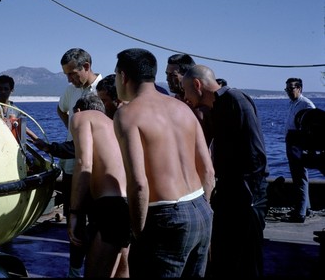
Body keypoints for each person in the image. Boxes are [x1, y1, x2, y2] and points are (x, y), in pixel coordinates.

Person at [112, 48, 215, 278]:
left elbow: (138, 183)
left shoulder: (127, 115)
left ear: (123, 76)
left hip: (165, 217)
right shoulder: (183, 108)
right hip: (201, 212)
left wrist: (138, 232)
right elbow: (208, 171)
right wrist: (201, 208)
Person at [182, 64, 269, 277]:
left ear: (197, 84)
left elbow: (256, 155)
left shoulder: (235, 101)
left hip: (246, 196)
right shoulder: (215, 108)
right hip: (230, 194)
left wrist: (248, 196)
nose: (185, 97)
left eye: (186, 90)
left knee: (247, 262)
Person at [68, 94, 130, 277]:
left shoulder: (81, 116)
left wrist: (74, 213)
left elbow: (83, 164)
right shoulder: (112, 124)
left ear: (78, 109)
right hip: (128, 205)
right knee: (121, 270)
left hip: (110, 207)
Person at [56, 48, 103, 277]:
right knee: (73, 223)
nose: (69, 79)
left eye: (73, 73)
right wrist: (72, 132)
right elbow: (60, 109)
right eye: (66, 74)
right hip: (71, 168)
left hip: (95, 170)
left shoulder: (104, 89)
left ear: (86, 67)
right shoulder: (69, 91)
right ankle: (74, 271)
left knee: (95, 224)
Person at [282, 77, 316, 223]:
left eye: (291, 88)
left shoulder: (306, 105)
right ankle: (305, 208)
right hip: (292, 143)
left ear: (300, 89)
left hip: (299, 144)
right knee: (297, 178)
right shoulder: (293, 104)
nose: (289, 92)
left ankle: (300, 213)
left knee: (300, 177)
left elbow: (314, 127)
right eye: (287, 89)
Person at [165, 53, 214, 146]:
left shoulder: (205, 106)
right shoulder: (169, 103)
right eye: (167, 74)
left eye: (173, 75)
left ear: (187, 76)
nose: (167, 79)